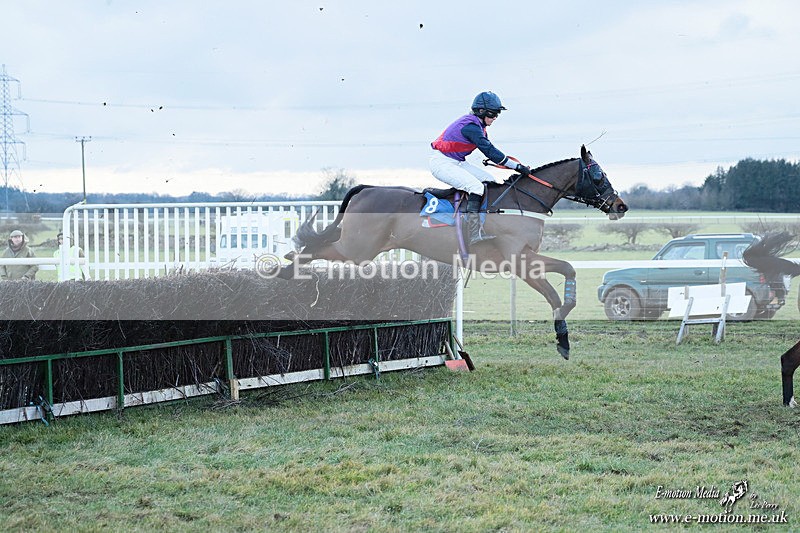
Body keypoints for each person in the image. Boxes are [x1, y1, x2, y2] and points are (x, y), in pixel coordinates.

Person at [430, 91, 532, 244]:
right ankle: (473, 233)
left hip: (457, 162)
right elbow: (492, 153)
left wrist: (515, 166)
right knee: (476, 187)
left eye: (497, 114)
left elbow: (492, 152)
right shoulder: (471, 127)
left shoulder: (479, 126)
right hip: (442, 163)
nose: (495, 118)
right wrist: (517, 167)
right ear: (481, 111)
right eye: (493, 114)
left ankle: (485, 223)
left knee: (489, 180)